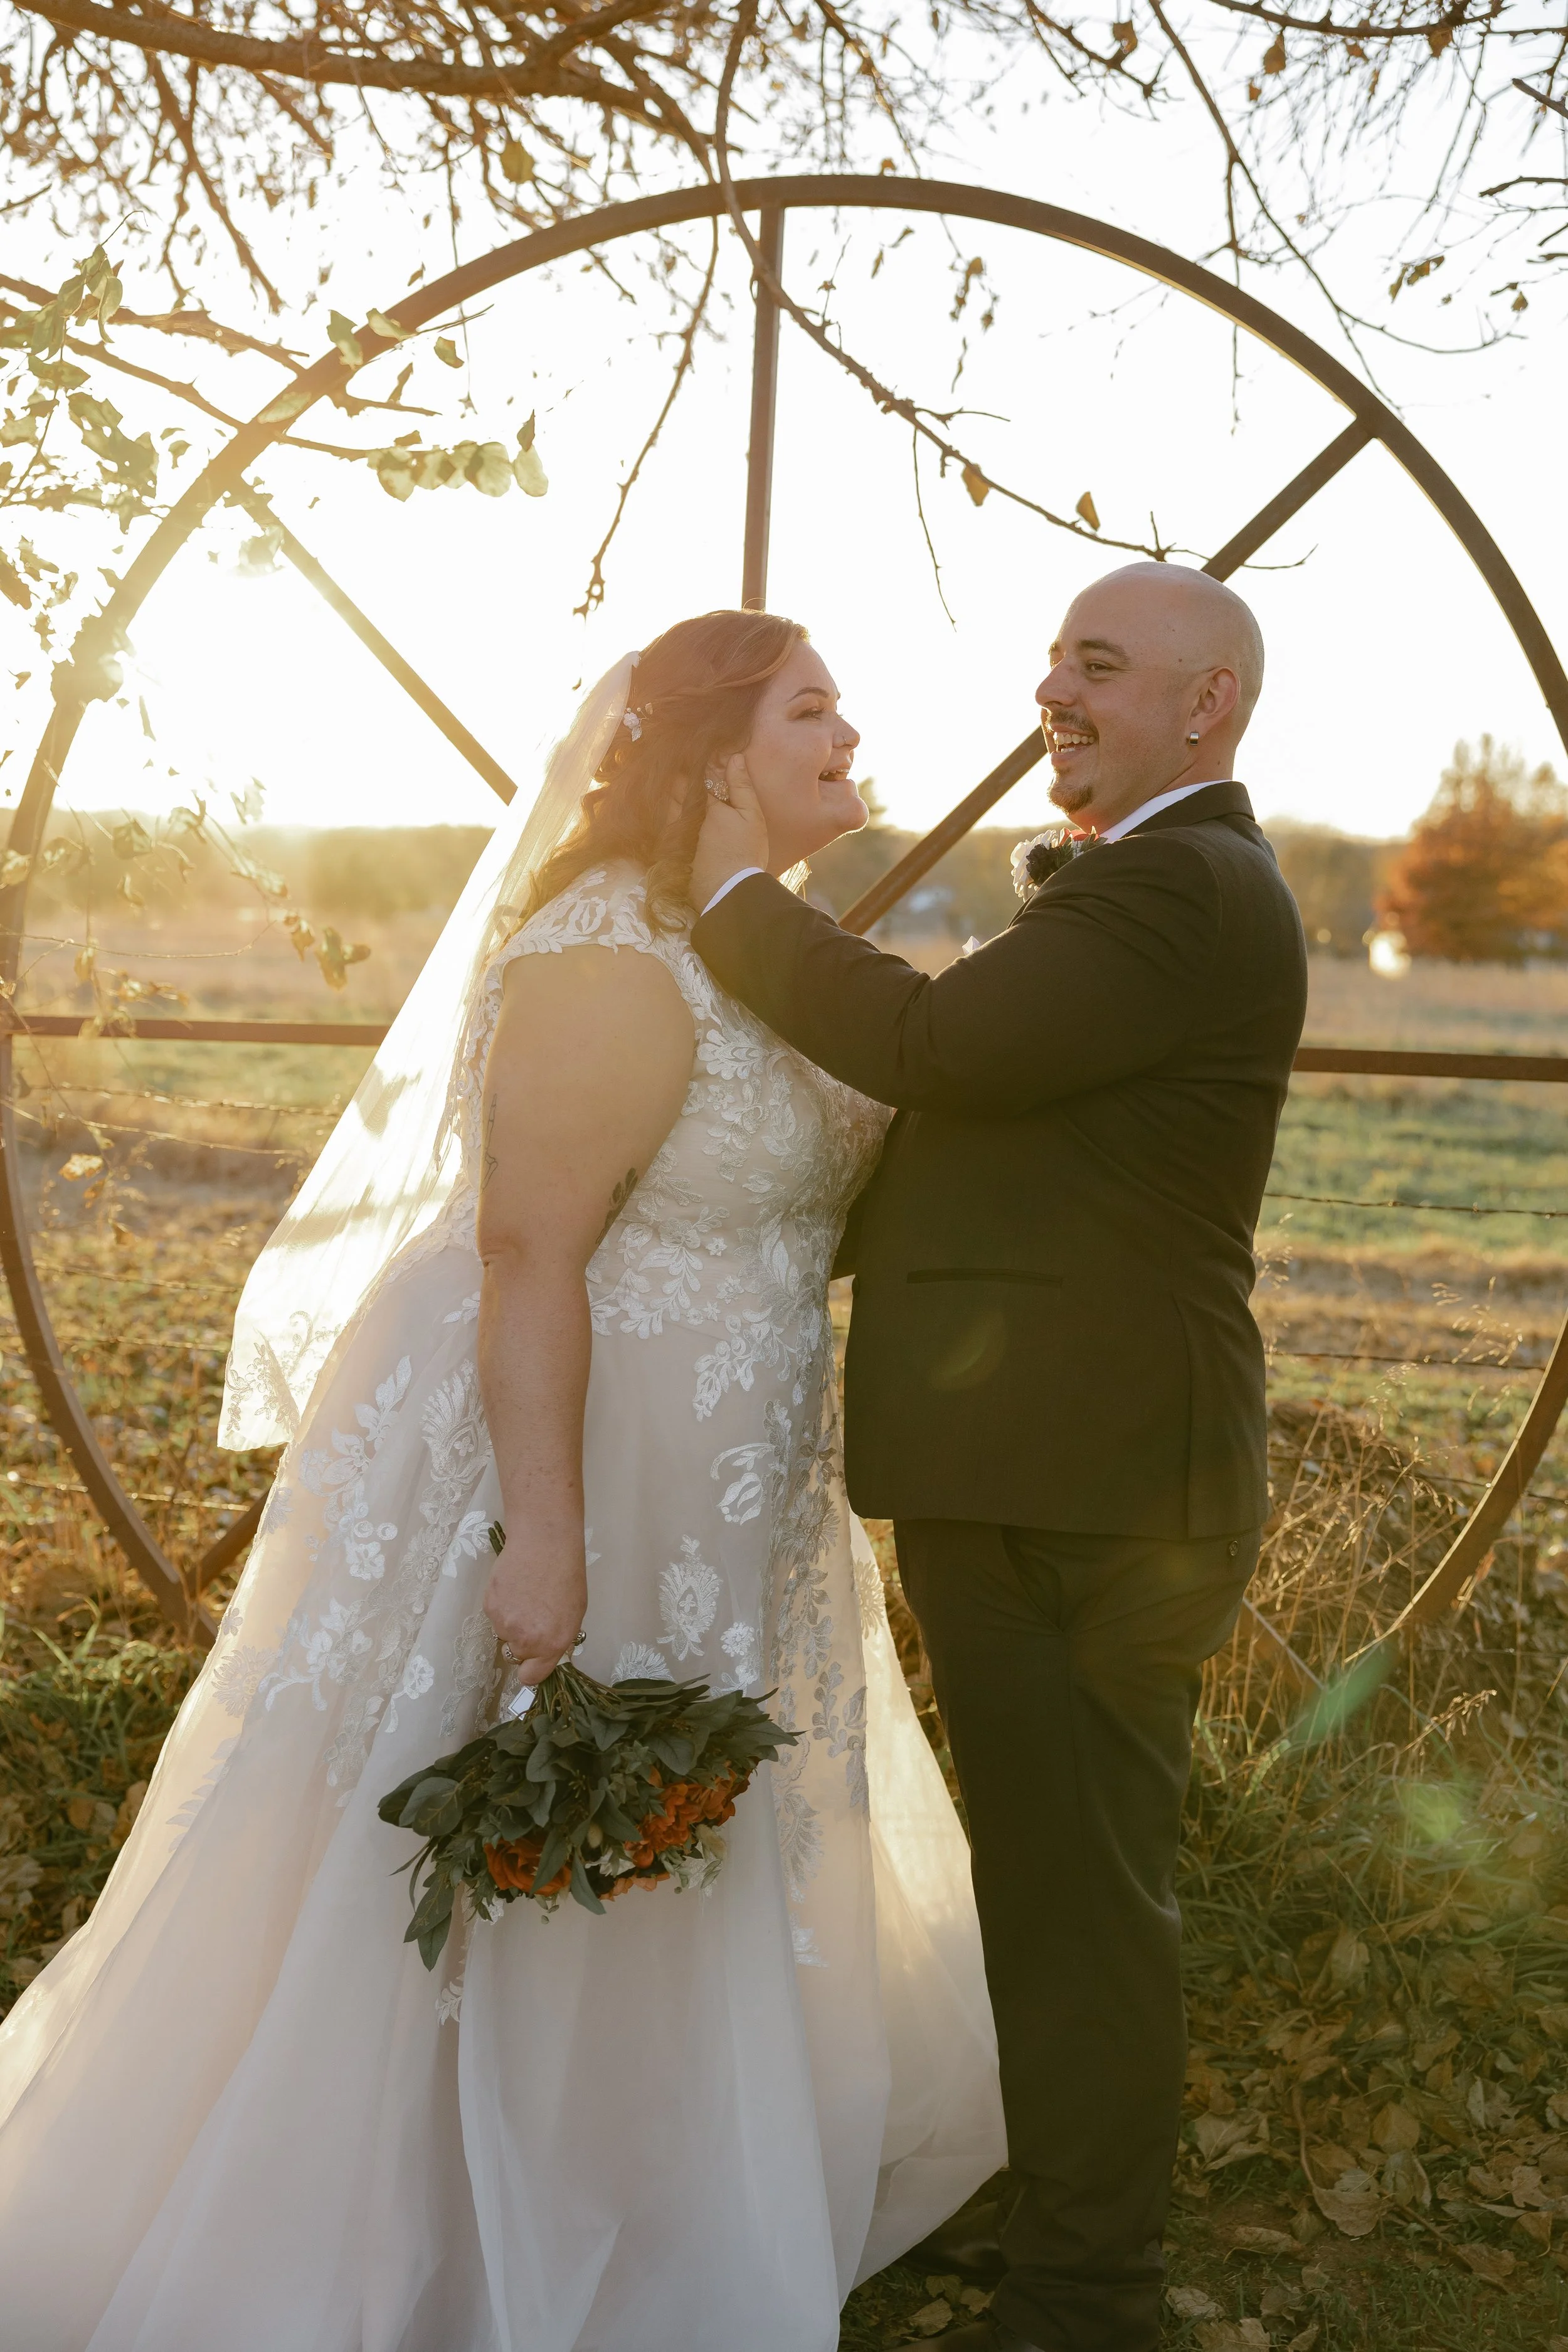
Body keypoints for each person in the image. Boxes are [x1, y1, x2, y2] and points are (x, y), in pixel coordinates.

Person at [0, 612, 1005, 2352]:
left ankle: (633, 2184)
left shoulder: (761, 944)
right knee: (519, 1800)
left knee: (682, 1815)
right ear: (705, 756)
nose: (850, 732)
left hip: (733, 1476)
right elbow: (531, 1250)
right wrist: (547, 1530)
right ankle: (452, 2222)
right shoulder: (608, 957)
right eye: (809, 709)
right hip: (580, 1448)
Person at [689, 564, 1310, 2352]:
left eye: (1096, 665)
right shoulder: (1152, 884)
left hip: (1089, 1483)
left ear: (1204, 704)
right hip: (1054, 1467)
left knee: (1082, 1898)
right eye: (1050, 659)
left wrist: (730, 898)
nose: (1054, 689)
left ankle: (1085, 2295)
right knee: (1054, 1881)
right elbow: (994, 1132)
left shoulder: (1184, 888)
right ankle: (1062, 2232)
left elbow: (939, 1048)